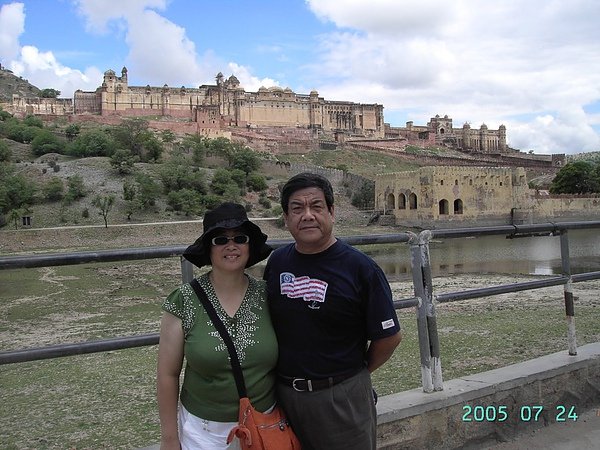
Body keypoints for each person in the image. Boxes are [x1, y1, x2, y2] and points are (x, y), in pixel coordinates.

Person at [263, 172, 402, 450]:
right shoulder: (278, 262)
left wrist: (353, 375)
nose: (308, 215)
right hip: (285, 398)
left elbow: (389, 337)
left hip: (341, 398)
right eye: (297, 208)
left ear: (332, 212)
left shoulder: (361, 268)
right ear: (287, 218)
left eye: (316, 206)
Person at [157, 202, 276, 450]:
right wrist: (169, 438)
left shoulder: (269, 296)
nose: (231, 246)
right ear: (208, 249)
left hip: (264, 426)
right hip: (202, 434)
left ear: (249, 246)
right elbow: (167, 375)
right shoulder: (183, 300)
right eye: (220, 239)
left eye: (239, 238)